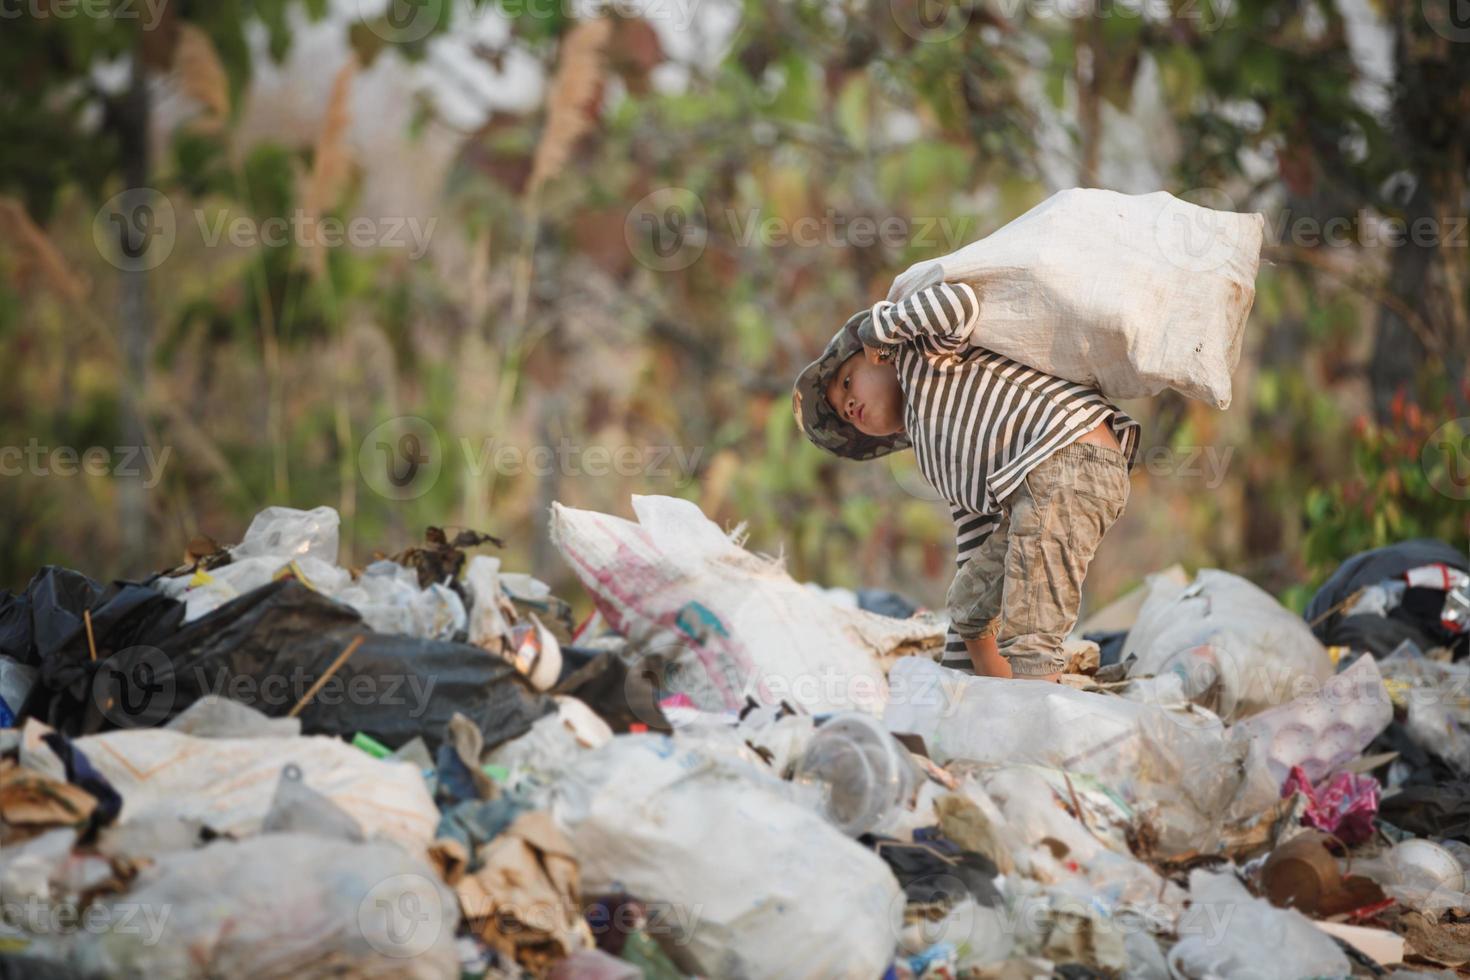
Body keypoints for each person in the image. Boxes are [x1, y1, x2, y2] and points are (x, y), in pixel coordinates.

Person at [792, 281, 1140, 681]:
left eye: (848, 382)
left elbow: (958, 302)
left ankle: (1039, 721)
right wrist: (955, 684)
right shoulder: (936, 452)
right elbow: (974, 545)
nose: (848, 405)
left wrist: (881, 328)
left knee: (1029, 631)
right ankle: (988, 696)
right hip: (1039, 487)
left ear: (881, 357)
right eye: (843, 412)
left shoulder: (926, 356)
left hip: (1070, 457)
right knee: (968, 604)